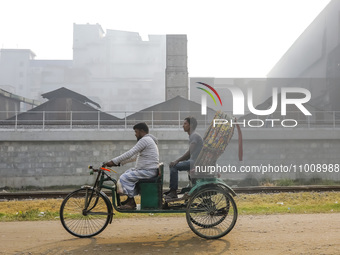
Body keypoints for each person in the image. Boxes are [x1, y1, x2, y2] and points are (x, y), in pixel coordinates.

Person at [105, 122, 159, 210]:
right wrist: (118, 163)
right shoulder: (148, 140)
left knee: (124, 178)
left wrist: (113, 161)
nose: (135, 134)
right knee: (128, 172)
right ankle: (130, 199)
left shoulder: (145, 140)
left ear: (142, 131)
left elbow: (130, 153)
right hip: (148, 170)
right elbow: (134, 157)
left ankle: (131, 203)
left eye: (136, 132)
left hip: (148, 171)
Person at [165, 117, 203, 199]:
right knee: (174, 164)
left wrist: (176, 161)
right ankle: (173, 190)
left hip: (195, 162)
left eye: (185, 124)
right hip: (194, 161)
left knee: (173, 166)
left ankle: (173, 191)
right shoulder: (193, 136)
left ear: (191, 125)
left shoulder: (194, 136)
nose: (183, 126)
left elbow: (189, 153)